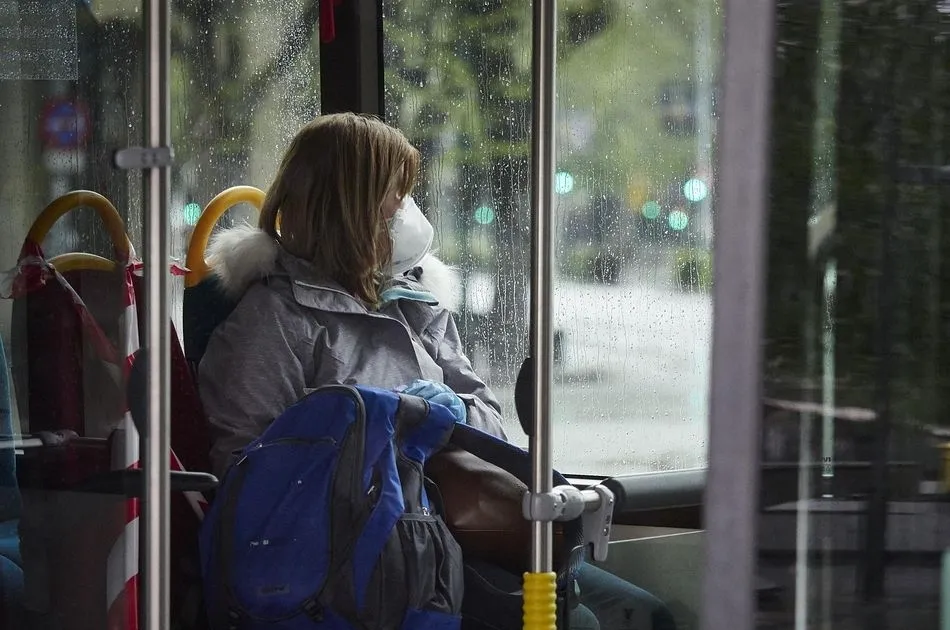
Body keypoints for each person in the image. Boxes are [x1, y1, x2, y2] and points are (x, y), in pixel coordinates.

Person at [197, 112, 676, 630]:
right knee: (578, 623)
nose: (407, 210)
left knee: (644, 616)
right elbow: (249, 478)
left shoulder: (415, 304)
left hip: (460, 526)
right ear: (351, 206)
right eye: (396, 194)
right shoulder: (273, 322)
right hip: (366, 551)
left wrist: (449, 416)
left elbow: (490, 425)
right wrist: (383, 437)